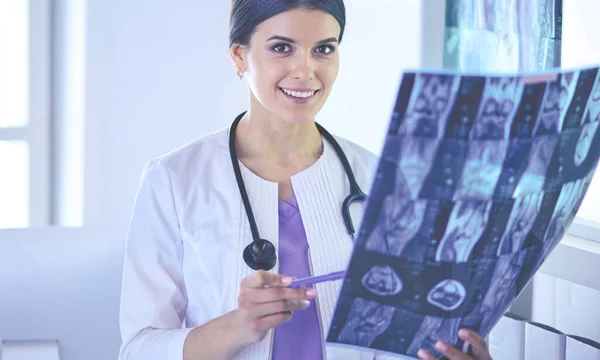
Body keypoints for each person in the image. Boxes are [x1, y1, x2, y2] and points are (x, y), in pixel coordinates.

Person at [117, 1, 494, 359]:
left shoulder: (383, 180)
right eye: (282, 48)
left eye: (324, 49)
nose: (305, 71)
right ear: (239, 56)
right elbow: (138, 349)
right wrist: (238, 326)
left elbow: (398, 337)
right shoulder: (174, 181)